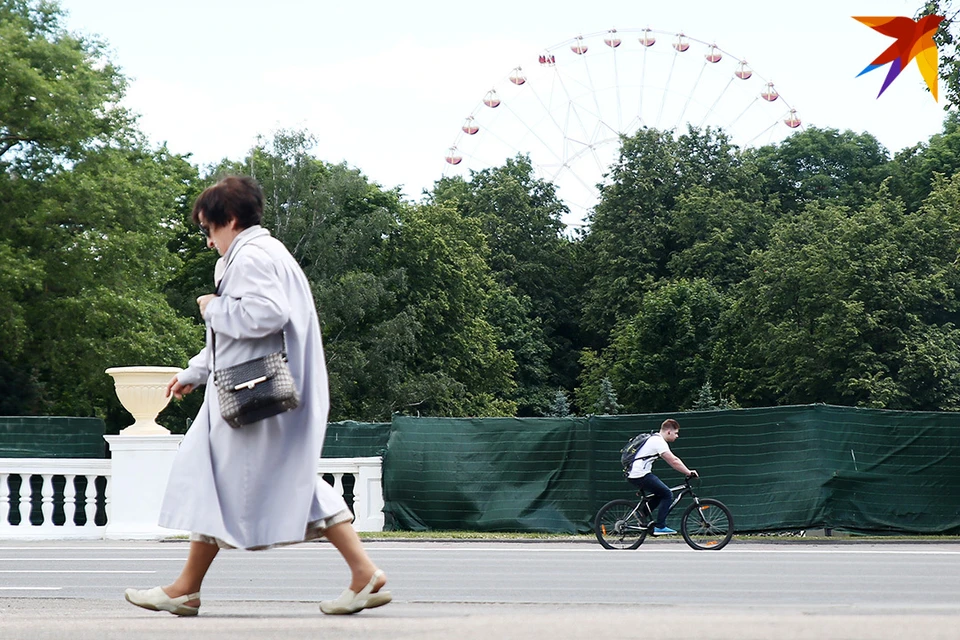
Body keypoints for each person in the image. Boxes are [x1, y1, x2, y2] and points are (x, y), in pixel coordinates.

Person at [124, 175, 390, 616]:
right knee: (259, 479)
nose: (209, 242)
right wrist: (198, 367)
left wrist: (214, 307)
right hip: (270, 389)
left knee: (215, 474)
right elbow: (246, 337)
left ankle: (186, 589)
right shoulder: (266, 252)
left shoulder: (250, 257)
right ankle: (364, 574)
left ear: (229, 219)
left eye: (209, 229)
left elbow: (264, 316)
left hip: (256, 394)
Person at [625, 418, 697, 536]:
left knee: (660, 493)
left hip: (636, 474)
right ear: (669, 431)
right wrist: (688, 472)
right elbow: (674, 461)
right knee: (667, 494)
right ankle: (660, 526)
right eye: (676, 433)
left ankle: (640, 515)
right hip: (639, 474)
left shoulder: (654, 438)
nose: (677, 436)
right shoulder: (658, 441)